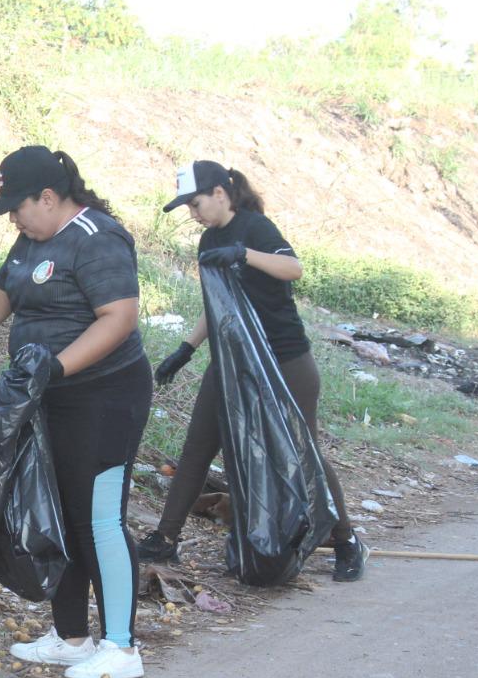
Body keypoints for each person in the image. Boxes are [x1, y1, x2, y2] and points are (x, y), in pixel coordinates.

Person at [0, 146, 152, 678]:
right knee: (59, 515)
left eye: (17, 208)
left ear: (49, 197)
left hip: (105, 400)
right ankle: (70, 637)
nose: (13, 220)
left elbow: (118, 319)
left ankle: (122, 646)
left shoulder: (99, 239)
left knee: (99, 518)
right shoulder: (33, 239)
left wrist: (57, 369)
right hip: (50, 399)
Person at [139, 160, 367, 581]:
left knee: (304, 452)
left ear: (220, 194)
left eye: (196, 203)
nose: (193, 214)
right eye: (187, 207)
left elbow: (293, 268)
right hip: (233, 361)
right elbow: (218, 302)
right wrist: (185, 350)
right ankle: (165, 539)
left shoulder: (256, 229)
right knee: (198, 447)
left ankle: (348, 541)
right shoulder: (208, 240)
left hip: (284, 360)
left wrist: (244, 253)